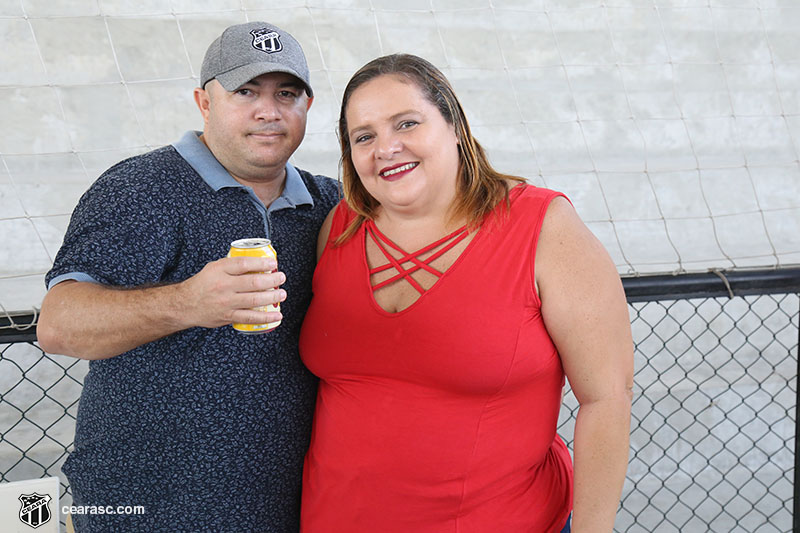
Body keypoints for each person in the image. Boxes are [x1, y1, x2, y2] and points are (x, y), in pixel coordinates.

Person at [298, 54, 634, 533]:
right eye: (364, 136)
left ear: (454, 124)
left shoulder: (543, 228)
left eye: (406, 123)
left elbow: (607, 397)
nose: (386, 148)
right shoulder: (339, 227)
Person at [36, 21, 339, 532]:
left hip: (288, 503)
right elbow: (58, 325)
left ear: (307, 106)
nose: (269, 110)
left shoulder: (331, 204)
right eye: (246, 91)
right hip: (140, 506)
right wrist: (189, 303)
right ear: (204, 101)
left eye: (286, 94)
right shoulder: (138, 189)